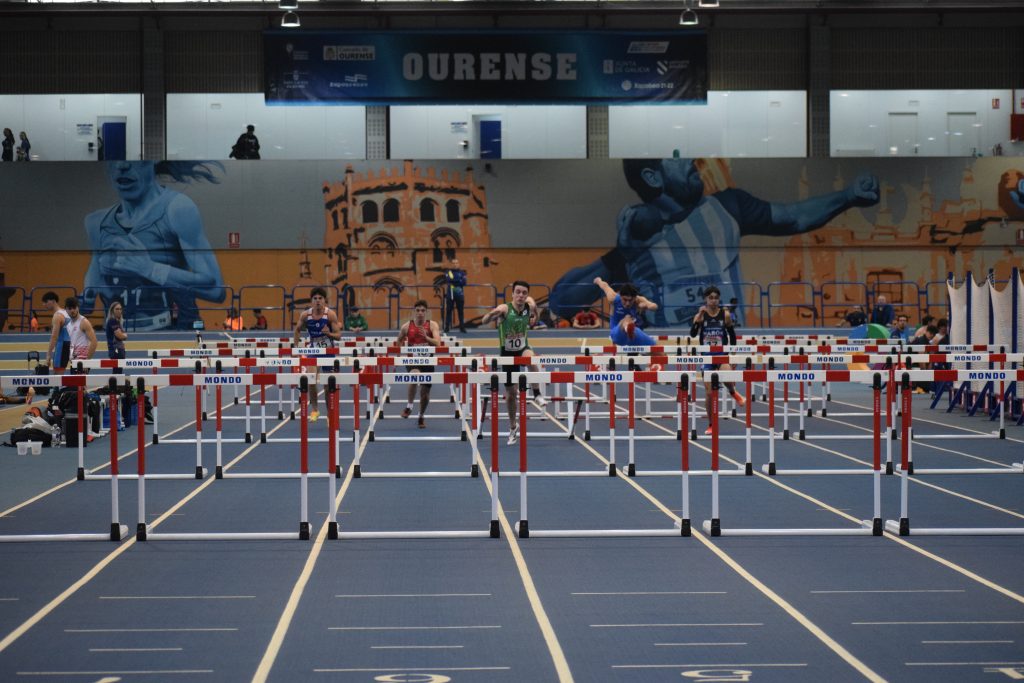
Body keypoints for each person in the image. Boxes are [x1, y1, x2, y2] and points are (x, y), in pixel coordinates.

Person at [548, 155, 879, 326]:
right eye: (676, 157)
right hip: (667, 356)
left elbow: (794, 216)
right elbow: (562, 302)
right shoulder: (636, 241)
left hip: (727, 345)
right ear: (652, 176)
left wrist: (848, 196)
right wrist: (620, 257)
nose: (690, 160)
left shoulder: (728, 207)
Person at [81, 161, 227, 331]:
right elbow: (95, 271)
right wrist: (88, 295)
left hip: (170, 330)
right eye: (114, 158)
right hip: (117, 331)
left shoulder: (177, 208)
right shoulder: (96, 222)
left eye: (132, 159)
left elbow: (216, 290)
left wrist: (150, 269)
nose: (122, 166)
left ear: (153, 160)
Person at [480, 281, 548, 446]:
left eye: (524, 293)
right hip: (507, 353)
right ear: (512, 294)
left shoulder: (529, 306)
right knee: (512, 394)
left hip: (522, 348)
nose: (521, 295)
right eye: (518, 292)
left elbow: (534, 317)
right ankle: (513, 427)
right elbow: (484, 321)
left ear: (527, 295)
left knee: (530, 359)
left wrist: (535, 315)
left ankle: (537, 393)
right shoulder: (505, 309)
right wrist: (492, 315)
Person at [690, 286, 745, 435]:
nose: (713, 300)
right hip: (707, 357)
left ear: (719, 299)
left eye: (716, 298)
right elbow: (693, 334)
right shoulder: (701, 315)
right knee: (709, 393)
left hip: (721, 354)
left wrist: (733, 353)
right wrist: (697, 320)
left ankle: (733, 392)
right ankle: (711, 424)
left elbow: (732, 335)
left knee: (728, 374)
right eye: (711, 298)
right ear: (706, 299)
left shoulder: (725, 315)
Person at [292, 287, 341, 422]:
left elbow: (338, 336)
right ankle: (315, 410)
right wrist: (295, 349)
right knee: (311, 379)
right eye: (315, 298)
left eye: (320, 298)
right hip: (313, 351)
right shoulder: (305, 315)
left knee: (327, 385)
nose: (318, 301)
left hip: (328, 351)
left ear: (324, 300)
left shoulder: (330, 315)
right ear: (311, 301)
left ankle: (329, 413)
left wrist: (328, 333)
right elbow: (297, 330)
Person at [395, 300, 441, 429]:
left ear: (426, 312)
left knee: (425, 394)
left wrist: (426, 338)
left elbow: (438, 343)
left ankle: (421, 415)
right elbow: (399, 340)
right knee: (414, 375)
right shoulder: (406, 326)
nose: (420, 313)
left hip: (428, 361)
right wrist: (398, 358)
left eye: (423, 310)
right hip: (412, 360)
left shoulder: (432, 325)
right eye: (418, 310)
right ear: (414, 312)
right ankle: (409, 406)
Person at [592, 277, 659, 347]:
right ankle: (627, 328)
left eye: (630, 300)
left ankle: (630, 332)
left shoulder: (638, 300)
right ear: (620, 296)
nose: (627, 303)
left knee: (657, 349)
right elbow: (605, 286)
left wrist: (647, 306)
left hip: (633, 333)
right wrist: (598, 281)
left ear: (635, 297)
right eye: (625, 300)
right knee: (627, 318)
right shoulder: (613, 298)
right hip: (617, 334)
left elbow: (654, 306)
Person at [45, 296, 97, 374]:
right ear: (66, 310)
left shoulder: (84, 322)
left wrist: (87, 361)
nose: (72, 310)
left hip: (82, 362)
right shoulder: (69, 325)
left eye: (74, 308)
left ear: (78, 308)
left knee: (78, 382)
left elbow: (94, 342)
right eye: (69, 308)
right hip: (74, 361)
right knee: (73, 382)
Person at [443, 258, 468, 333]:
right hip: (450, 294)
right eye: (453, 263)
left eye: (456, 263)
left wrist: (454, 281)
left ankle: (462, 327)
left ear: (458, 264)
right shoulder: (448, 272)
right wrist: (459, 280)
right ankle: (447, 327)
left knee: (461, 311)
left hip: (459, 294)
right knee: (448, 311)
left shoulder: (462, 272)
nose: (455, 264)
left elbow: (464, 282)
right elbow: (448, 280)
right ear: (451, 264)